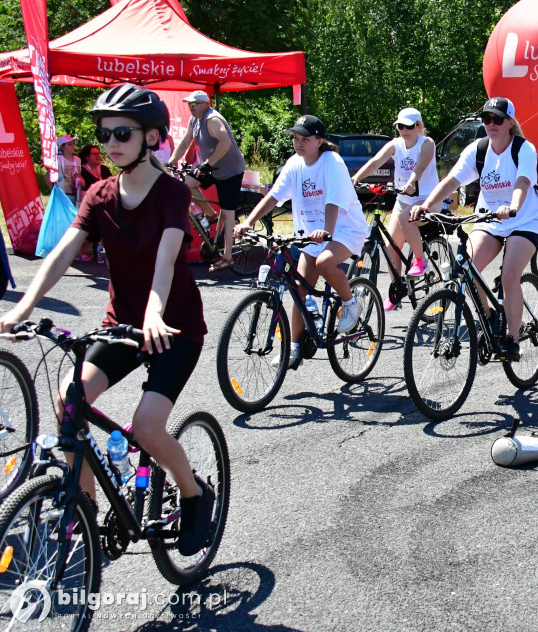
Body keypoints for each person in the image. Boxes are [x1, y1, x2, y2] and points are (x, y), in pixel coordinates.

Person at [0, 85, 215, 555]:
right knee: (68, 402)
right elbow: (60, 255)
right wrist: (24, 307)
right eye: (104, 134)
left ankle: (195, 493)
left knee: (147, 428)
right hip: (122, 326)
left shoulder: (172, 194)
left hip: (174, 329)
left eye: (123, 132)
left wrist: (155, 314)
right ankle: (86, 511)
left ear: (153, 137)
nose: (111, 141)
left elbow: (166, 259)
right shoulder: (99, 195)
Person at [410, 96, 538, 361]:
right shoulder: (478, 150)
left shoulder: (523, 148)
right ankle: (490, 315)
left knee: (509, 276)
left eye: (497, 119)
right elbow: (452, 180)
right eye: (486, 119)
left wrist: (513, 206)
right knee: (466, 268)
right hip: (489, 219)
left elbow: (523, 182)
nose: (491, 124)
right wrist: (426, 205)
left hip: (524, 220)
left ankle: (512, 340)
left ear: (509, 123)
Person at [235, 114, 368, 370]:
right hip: (311, 233)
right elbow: (274, 196)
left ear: (319, 140)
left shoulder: (332, 162)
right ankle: (294, 348)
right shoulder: (294, 163)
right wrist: (249, 222)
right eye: (295, 138)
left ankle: (351, 304)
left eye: (304, 139)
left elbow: (334, 201)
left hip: (344, 229)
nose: (298, 143)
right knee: (299, 289)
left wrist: (326, 231)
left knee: (326, 262)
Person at [351, 107, 440, 311]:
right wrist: (356, 178)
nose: (403, 130)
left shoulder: (427, 143)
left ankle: (420, 260)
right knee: (391, 247)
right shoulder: (396, 144)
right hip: (403, 199)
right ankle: (397, 290)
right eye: (400, 126)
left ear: (418, 126)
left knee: (405, 217)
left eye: (408, 126)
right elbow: (375, 162)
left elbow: (420, 166)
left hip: (428, 199)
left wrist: (411, 182)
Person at [168, 91, 247, 272]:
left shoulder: (212, 119)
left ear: (205, 103)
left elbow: (225, 142)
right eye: (189, 104)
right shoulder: (194, 120)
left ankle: (227, 257)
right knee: (185, 185)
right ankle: (210, 214)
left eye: (194, 104)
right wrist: (170, 162)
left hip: (230, 171)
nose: (191, 107)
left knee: (228, 214)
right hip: (211, 166)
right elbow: (185, 142)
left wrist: (206, 164)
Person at [78, 144, 112, 261]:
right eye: (94, 154)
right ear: (87, 157)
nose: (98, 156)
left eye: (99, 154)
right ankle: (86, 250)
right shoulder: (81, 169)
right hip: (87, 203)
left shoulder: (104, 169)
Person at [56, 134, 82, 203]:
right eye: (69, 144)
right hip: (62, 195)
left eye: (74, 144)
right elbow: (48, 176)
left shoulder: (77, 160)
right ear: (62, 147)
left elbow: (79, 176)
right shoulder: (58, 160)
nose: (73, 146)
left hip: (76, 195)